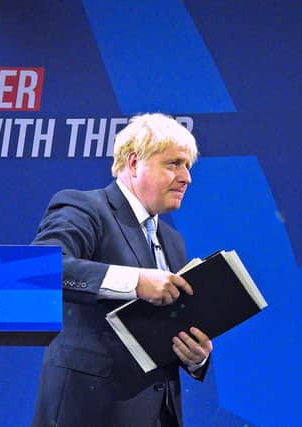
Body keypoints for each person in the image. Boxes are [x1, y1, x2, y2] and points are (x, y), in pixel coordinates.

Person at [31, 113, 213, 427]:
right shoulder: (85, 207)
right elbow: (41, 267)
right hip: (90, 412)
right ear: (133, 163)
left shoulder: (173, 241)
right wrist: (137, 282)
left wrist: (196, 356)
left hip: (159, 414)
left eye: (188, 167)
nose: (186, 178)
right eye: (173, 164)